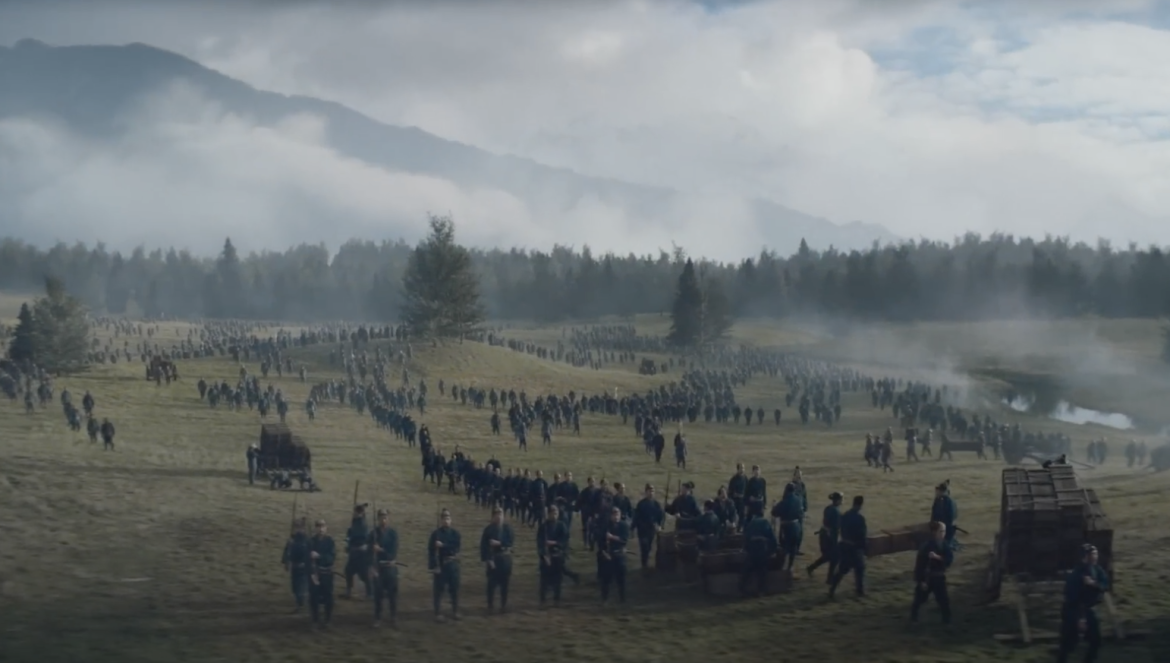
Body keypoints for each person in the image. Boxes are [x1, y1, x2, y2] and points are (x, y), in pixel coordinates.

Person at [1057, 544, 1110, 663]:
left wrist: (1093, 584)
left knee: (1096, 641)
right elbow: (1073, 598)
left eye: (1096, 554)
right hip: (1073, 611)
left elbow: (1105, 585)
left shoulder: (1097, 570)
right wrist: (1080, 618)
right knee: (1068, 643)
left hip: (1089, 609)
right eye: (1092, 554)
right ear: (1085, 556)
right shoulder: (1076, 574)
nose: (1095, 557)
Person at [910, 521, 953, 624]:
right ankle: (913, 618)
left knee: (943, 600)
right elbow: (920, 565)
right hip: (927, 578)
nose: (943, 534)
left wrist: (937, 557)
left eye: (944, 531)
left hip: (939, 578)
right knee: (919, 599)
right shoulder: (926, 546)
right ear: (934, 532)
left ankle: (946, 621)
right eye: (940, 531)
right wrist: (921, 580)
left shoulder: (944, 545)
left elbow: (949, 559)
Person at [829, 495, 867, 599]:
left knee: (842, 569)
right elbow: (862, 535)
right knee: (860, 568)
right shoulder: (860, 519)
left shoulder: (845, 515)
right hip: (855, 548)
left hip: (845, 546)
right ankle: (859, 590)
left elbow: (840, 529)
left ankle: (832, 589)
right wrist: (864, 548)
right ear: (860, 505)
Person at [428, 508, 462, 622]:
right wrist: (434, 566)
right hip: (441, 565)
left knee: (454, 589)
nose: (446, 520)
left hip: (452, 563)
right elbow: (431, 551)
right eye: (444, 518)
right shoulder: (436, 534)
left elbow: (455, 547)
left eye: (448, 518)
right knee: (438, 590)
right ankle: (437, 612)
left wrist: (443, 545)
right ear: (441, 520)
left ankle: (455, 611)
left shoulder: (455, 534)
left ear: (451, 520)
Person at [368, 509, 400, 628]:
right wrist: (371, 567)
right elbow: (368, 553)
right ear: (378, 519)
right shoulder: (373, 534)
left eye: (385, 517)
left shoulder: (393, 534)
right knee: (378, 595)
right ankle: (378, 617)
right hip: (378, 568)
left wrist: (380, 550)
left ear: (388, 518)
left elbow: (392, 552)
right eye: (381, 517)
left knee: (392, 594)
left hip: (390, 567)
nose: (383, 519)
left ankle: (393, 616)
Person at [480, 506, 515, 613]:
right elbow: (483, 546)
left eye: (500, 514)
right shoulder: (488, 530)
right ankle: (490, 605)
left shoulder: (507, 529)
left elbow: (510, 542)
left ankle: (503, 605)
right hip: (493, 558)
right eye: (496, 514)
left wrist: (500, 543)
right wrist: (488, 559)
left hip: (505, 558)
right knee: (491, 584)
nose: (499, 517)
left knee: (505, 584)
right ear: (493, 516)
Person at [806, 492, 842, 583]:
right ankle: (829, 578)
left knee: (827, 556)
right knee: (834, 557)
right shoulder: (836, 512)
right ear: (838, 500)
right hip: (830, 536)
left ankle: (811, 568)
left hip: (824, 535)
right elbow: (836, 527)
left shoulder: (828, 508)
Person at [308, 519, 337, 628]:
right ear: (315, 528)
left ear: (326, 528)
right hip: (315, 574)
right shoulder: (311, 542)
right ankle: (315, 619)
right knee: (314, 597)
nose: (321, 529)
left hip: (327, 573)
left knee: (328, 597)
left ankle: (328, 619)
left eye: (323, 526)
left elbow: (331, 558)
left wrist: (319, 556)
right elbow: (307, 559)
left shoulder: (330, 541)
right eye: (318, 527)